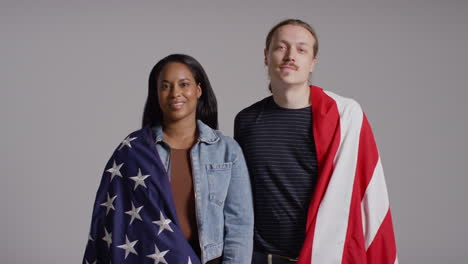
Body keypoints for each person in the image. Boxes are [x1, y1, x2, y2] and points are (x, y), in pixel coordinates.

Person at [234, 19, 398, 264]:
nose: (290, 56)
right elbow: (241, 195)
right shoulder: (246, 121)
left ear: (312, 63)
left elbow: (368, 198)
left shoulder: (344, 118)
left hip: (324, 255)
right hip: (260, 257)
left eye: (301, 49)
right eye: (281, 47)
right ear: (266, 56)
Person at [84, 54, 253, 264]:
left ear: (198, 90)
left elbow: (240, 225)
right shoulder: (135, 150)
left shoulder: (226, 150)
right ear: (156, 94)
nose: (175, 93)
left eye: (184, 84)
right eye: (165, 86)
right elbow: (114, 222)